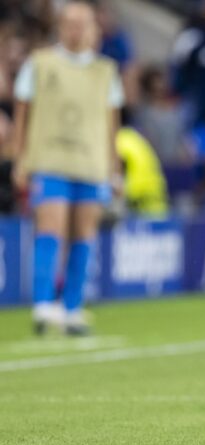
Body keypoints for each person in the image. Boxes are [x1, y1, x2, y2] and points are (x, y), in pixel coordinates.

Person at [11, 0, 123, 335]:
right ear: (60, 27)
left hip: (91, 163)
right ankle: (44, 305)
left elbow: (111, 123)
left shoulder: (106, 70)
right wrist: (20, 158)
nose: (76, 30)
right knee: (51, 228)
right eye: (70, 23)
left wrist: (113, 168)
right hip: (49, 158)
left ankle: (72, 307)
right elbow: (22, 114)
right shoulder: (40, 64)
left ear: (93, 29)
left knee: (84, 235)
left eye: (82, 24)